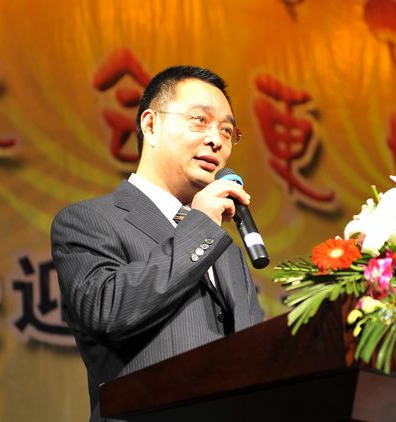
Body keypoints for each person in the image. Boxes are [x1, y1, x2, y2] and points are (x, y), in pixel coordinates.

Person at [51, 65, 263, 421]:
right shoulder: (87, 221)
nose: (216, 140)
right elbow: (108, 311)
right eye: (200, 120)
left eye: (227, 130)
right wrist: (200, 225)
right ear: (150, 125)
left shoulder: (225, 250)